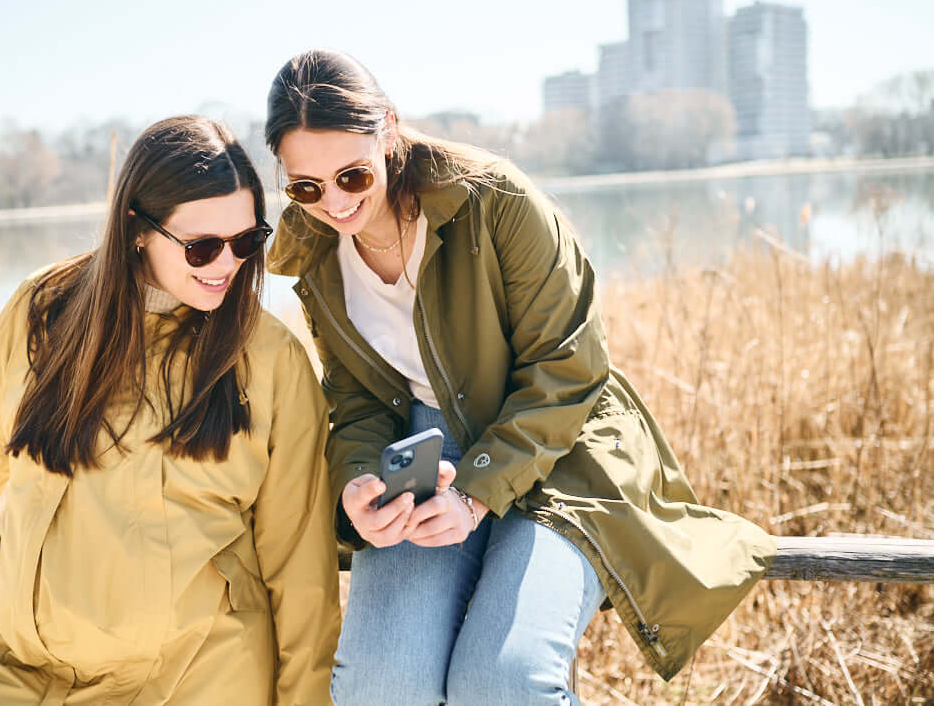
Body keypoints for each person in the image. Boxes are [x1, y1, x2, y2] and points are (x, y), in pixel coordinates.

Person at [263, 49, 776, 706]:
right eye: (305, 187)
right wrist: (360, 478)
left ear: (387, 130)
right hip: (420, 463)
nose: (333, 203)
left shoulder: (492, 199)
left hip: (558, 445)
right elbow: (357, 397)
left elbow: (569, 364)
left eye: (352, 175)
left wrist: (475, 492)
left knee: (500, 684)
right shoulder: (311, 252)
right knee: (378, 688)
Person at [0, 116, 340, 705]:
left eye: (247, 241)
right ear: (138, 230)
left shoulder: (270, 360)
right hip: (17, 663)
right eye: (202, 246)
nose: (227, 265)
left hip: (195, 672)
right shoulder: (43, 312)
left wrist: (303, 701)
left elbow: (298, 562)